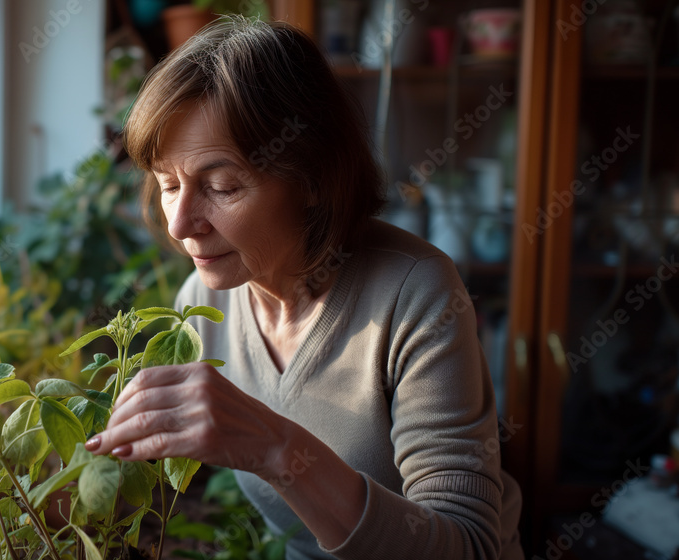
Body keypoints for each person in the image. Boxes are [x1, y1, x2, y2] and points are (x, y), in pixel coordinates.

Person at [82, 16, 525, 560]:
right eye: (169, 184)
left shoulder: (415, 294)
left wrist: (273, 446)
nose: (179, 224)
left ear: (313, 178)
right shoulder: (202, 304)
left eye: (221, 186)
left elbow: (470, 546)